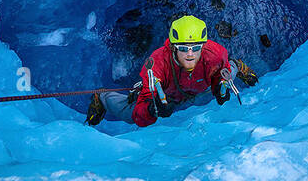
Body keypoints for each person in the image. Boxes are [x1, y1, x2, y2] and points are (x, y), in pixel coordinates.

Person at [85, 14, 257, 127]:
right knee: (131, 115)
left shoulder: (216, 54)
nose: (190, 54)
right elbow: (141, 110)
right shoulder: (156, 64)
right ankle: (103, 97)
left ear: (203, 46)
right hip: (169, 95)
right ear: (174, 47)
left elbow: (222, 70)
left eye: (195, 47)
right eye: (183, 48)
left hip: (200, 86)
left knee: (229, 73)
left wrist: (219, 87)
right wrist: (152, 110)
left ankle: (238, 65)